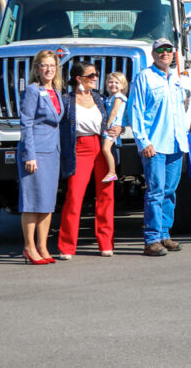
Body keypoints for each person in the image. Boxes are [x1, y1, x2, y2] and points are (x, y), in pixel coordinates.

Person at [128, 37, 191, 256]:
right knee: (155, 192)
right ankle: (152, 239)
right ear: (153, 54)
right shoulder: (144, 77)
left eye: (168, 50)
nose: (165, 53)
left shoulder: (176, 79)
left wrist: (185, 138)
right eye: (160, 50)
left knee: (170, 192)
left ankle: (165, 234)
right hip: (155, 145)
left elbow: (180, 112)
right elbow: (135, 110)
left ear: (173, 54)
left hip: (175, 144)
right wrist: (143, 141)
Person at [57, 60, 120, 259]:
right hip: (80, 148)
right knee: (74, 196)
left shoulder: (100, 99)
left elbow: (116, 119)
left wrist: (120, 129)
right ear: (79, 78)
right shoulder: (66, 100)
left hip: (103, 148)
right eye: (91, 75)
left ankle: (105, 243)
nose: (95, 79)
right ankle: (67, 247)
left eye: (96, 75)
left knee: (106, 195)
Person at [17, 50, 65, 264]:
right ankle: (29, 247)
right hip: (35, 152)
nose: (48, 70)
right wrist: (30, 155)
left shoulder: (55, 90)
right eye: (44, 65)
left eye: (52, 66)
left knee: (47, 203)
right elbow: (26, 123)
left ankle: (43, 247)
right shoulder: (32, 90)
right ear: (37, 68)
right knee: (32, 202)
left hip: (52, 152)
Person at [100, 72, 129, 183]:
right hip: (111, 126)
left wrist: (107, 125)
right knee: (107, 149)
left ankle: (112, 172)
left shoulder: (118, 97)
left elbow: (114, 111)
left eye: (117, 83)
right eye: (111, 82)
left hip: (112, 127)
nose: (113, 84)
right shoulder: (109, 97)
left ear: (122, 86)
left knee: (106, 149)